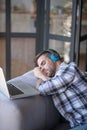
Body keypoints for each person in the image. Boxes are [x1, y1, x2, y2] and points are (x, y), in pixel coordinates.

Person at [33, 49, 87, 130]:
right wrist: (42, 78)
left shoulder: (69, 69)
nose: (42, 69)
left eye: (43, 63)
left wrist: (41, 76)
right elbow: (39, 89)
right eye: (40, 68)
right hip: (79, 124)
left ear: (54, 58)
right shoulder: (55, 79)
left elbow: (42, 89)